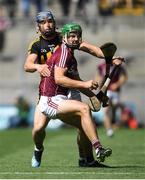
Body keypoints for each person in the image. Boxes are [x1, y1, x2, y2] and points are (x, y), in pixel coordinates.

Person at [24, 10, 124, 167]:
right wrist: (38, 66)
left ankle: (87, 159)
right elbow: (28, 66)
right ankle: (38, 148)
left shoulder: (67, 38)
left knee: (84, 119)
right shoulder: (39, 45)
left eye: (50, 21)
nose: (48, 24)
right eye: (43, 22)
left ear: (55, 23)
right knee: (38, 129)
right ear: (38, 27)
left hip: (68, 87)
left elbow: (90, 50)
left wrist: (108, 58)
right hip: (50, 91)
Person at [95, 62, 127, 137]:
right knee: (106, 110)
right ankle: (109, 130)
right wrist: (99, 83)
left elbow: (124, 77)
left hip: (115, 91)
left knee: (115, 106)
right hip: (106, 91)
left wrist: (117, 84)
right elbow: (97, 77)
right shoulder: (101, 66)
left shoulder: (118, 65)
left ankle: (114, 123)